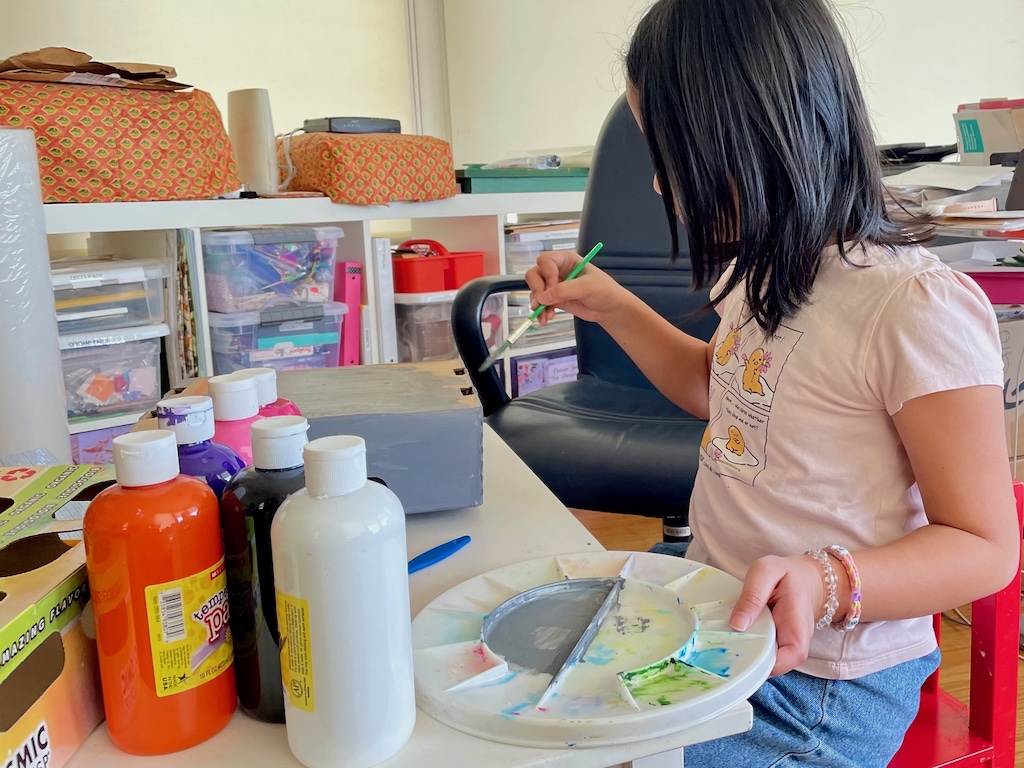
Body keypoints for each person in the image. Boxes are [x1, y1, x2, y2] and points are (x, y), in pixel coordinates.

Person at [525, 0, 1020, 764]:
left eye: (670, 154)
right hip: (721, 623)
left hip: (823, 684)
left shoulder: (911, 307)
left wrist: (825, 581)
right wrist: (612, 305)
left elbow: (985, 547)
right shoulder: (761, 269)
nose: (659, 186)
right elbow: (714, 389)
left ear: (751, 133)